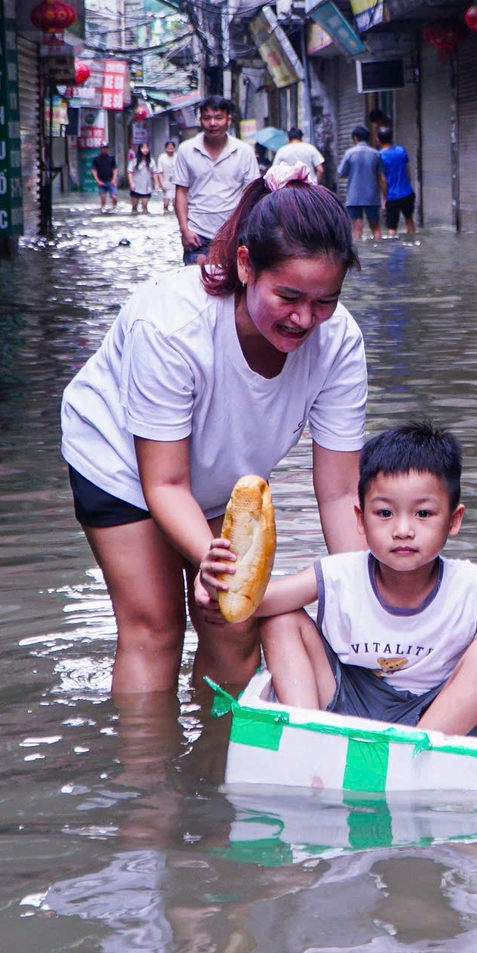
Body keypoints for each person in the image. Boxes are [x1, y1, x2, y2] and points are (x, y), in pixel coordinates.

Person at [61, 169, 368, 695]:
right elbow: (165, 485)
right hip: (123, 464)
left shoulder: (338, 343)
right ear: (246, 265)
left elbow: (340, 494)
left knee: (235, 623)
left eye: (324, 301)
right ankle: (148, 774)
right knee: (155, 628)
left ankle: (213, 767)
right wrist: (209, 559)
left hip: (223, 473)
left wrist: (365, 597)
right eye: (289, 296)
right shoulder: (171, 327)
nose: (304, 318)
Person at [250, 423, 477, 737]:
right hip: (345, 700)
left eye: (423, 514)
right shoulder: (340, 573)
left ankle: (410, 755)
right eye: (385, 513)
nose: (403, 529)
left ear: (453, 520)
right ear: (360, 519)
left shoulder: (469, 584)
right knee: (279, 618)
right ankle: (306, 738)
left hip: (434, 716)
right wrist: (218, 586)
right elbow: (256, 604)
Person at [172, 96, 261, 264]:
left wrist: (248, 232)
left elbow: (252, 194)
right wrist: (184, 230)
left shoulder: (244, 152)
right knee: (194, 286)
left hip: (233, 235)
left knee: (233, 288)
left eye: (218, 118)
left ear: (228, 119)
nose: (212, 123)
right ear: (200, 120)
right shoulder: (186, 150)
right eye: (207, 118)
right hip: (197, 234)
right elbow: (181, 192)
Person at [336, 126, 383, 242]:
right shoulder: (376, 154)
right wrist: (385, 197)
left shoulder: (349, 153)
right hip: (372, 196)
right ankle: (381, 249)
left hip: (354, 196)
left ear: (355, 138)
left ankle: (358, 254)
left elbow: (341, 173)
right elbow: (381, 177)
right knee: (376, 227)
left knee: (357, 230)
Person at [378, 124, 415, 235]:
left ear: (378, 139)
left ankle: (392, 250)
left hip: (392, 196)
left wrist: (385, 198)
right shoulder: (401, 150)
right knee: (409, 220)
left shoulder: (379, 155)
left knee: (391, 227)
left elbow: (382, 180)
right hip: (407, 193)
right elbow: (408, 172)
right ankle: (412, 243)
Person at [127, 139, 154, 215]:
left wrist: (157, 184)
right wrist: (131, 183)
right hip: (136, 186)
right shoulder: (134, 161)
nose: (145, 150)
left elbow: (155, 173)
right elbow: (130, 172)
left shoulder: (151, 161)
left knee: (145, 206)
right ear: (139, 150)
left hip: (146, 187)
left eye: (146, 148)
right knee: (134, 208)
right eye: (143, 148)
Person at [93, 145, 118, 212]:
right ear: (100, 149)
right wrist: (97, 181)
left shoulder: (111, 158)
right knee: (103, 198)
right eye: (103, 148)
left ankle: (114, 208)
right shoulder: (96, 159)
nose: (104, 150)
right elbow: (93, 170)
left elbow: (115, 168)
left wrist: (114, 179)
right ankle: (103, 209)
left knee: (114, 197)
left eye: (106, 148)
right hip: (102, 181)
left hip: (110, 181)